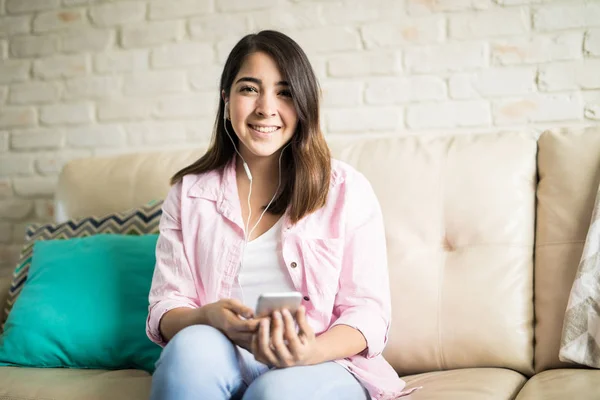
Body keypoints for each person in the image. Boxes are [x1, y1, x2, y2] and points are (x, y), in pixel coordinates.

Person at [146, 30, 416, 400]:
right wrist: (205, 317)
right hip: (221, 354)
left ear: (303, 103)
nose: (266, 108)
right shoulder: (189, 194)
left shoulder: (345, 189)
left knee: (274, 393)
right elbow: (167, 304)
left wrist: (312, 351)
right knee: (188, 353)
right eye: (249, 89)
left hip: (324, 364)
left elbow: (367, 313)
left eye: (285, 92)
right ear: (226, 100)